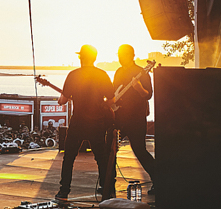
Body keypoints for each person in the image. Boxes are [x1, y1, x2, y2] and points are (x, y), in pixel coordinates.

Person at [56, 45, 116, 200]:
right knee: (101, 158)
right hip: (97, 123)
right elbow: (112, 99)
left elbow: (63, 100)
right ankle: (107, 190)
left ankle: (64, 192)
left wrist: (60, 99)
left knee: (69, 158)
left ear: (80, 57)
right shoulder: (102, 74)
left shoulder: (73, 75)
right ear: (94, 58)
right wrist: (101, 104)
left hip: (78, 122)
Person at [111, 44, 156, 190]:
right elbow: (114, 92)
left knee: (139, 150)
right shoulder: (118, 72)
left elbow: (148, 95)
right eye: (118, 55)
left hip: (136, 118)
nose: (120, 58)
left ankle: (158, 179)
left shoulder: (142, 72)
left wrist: (139, 88)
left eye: (122, 55)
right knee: (111, 149)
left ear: (132, 55)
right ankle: (108, 183)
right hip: (119, 116)